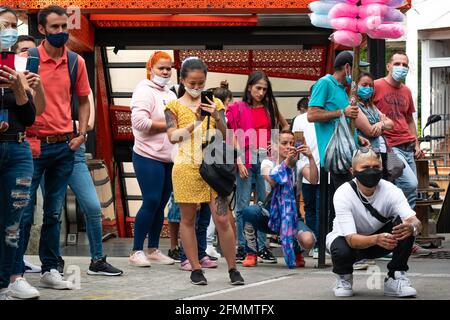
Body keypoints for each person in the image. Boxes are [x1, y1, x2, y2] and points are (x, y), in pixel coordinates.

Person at [11, 5, 91, 298]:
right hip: (30, 145)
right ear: (42, 29)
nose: (60, 32)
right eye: (54, 28)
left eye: (64, 27)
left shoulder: (75, 61)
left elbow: (83, 99)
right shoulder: (26, 59)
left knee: (54, 213)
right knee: (23, 214)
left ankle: (50, 269)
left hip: (63, 146)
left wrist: (81, 133)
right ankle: (15, 272)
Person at [164, 57, 244, 286]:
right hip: (186, 166)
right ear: (182, 80)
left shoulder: (216, 104)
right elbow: (172, 136)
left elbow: (227, 134)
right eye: (192, 83)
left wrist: (216, 116)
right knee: (187, 219)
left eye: (201, 83)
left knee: (222, 218)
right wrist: (195, 122)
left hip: (213, 166)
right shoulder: (174, 106)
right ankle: (195, 268)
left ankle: (233, 268)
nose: (197, 87)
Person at [327, 148, 421, 298]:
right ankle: (343, 277)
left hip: (381, 240)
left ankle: (395, 277)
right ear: (353, 171)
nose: (371, 171)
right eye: (365, 167)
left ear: (382, 168)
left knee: (404, 227)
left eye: (376, 167)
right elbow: (351, 239)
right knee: (341, 249)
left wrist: (412, 227)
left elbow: (414, 221)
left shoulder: (392, 190)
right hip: (350, 243)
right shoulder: (343, 193)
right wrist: (376, 239)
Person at [226, 71, 289, 264]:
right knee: (243, 204)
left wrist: (276, 146)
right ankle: (244, 247)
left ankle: (262, 247)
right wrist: (238, 161)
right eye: (258, 88)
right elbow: (231, 136)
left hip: (265, 159)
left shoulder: (270, 108)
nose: (261, 92)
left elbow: (285, 127)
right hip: (244, 157)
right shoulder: (237, 107)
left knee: (264, 203)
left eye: (264, 89)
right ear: (249, 87)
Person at [307, 50, 371, 229]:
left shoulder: (344, 90)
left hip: (348, 152)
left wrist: (357, 138)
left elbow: (341, 125)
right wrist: (341, 112)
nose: (360, 75)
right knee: (347, 200)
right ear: (348, 67)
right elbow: (311, 115)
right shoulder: (325, 83)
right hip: (335, 155)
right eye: (358, 70)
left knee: (349, 200)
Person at [0, 6, 37, 300]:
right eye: (4, 24)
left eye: (14, 25)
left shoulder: (19, 62)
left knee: (16, 217)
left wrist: (19, 88)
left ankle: (13, 277)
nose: (9, 30)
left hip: (19, 148)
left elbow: (29, 116)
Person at [242, 130, 317, 268]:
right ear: (274, 146)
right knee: (249, 212)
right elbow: (273, 181)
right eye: (284, 143)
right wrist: (286, 163)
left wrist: (311, 158)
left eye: (292, 143)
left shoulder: (299, 164)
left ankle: (297, 251)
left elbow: (314, 180)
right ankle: (251, 253)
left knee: (308, 241)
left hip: (291, 218)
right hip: (269, 215)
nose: (289, 146)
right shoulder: (267, 163)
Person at [129, 51, 176, 267]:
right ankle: (137, 250)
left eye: (169, 68)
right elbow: (139, 122)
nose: (165, 72)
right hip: (147, 155)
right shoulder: (143, 90)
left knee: (161, 204)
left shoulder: (171, 93)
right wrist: (169, 126)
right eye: (161, 68)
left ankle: (154, 249)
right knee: (151, 200)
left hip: (168, 157)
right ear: (151, 69)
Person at [292, 95, 321, 259]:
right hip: (306, 168)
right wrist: (300, 159)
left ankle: (321, 244)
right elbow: (297, 141)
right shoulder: (300, 119)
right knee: (309, 208)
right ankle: (313, 244)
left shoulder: (329, 116)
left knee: (322, 209)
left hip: (326, 170)